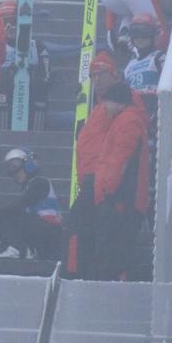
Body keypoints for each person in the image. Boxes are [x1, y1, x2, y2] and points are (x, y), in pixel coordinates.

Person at [71, 79, 150, 280]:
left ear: (118, 101)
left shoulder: (127, 122)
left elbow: (119, 161)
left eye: (107, 101)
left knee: (110, 255)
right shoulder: (125, 120)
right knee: (109, 254)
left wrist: (108, 193)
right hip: (118, 199)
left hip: (119, 201)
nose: (104, 106)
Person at [0, 147, 63, 262]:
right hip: (42, 231)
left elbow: (23, 203)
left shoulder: (40, 182)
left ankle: (20, 249)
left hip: (49, 232)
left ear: (28, 164)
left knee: (5, 217)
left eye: (15, 166)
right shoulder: (30, 185)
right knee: (5, 217)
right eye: (10, 168)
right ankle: (23, 249)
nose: (14, 172)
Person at [120, 16, 162, 101]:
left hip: (154, 105)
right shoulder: (129, 66)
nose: (140, 39)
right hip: (135, 107)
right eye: (136, 35)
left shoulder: (159, 57)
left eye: (144, 34)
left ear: (153, 35)